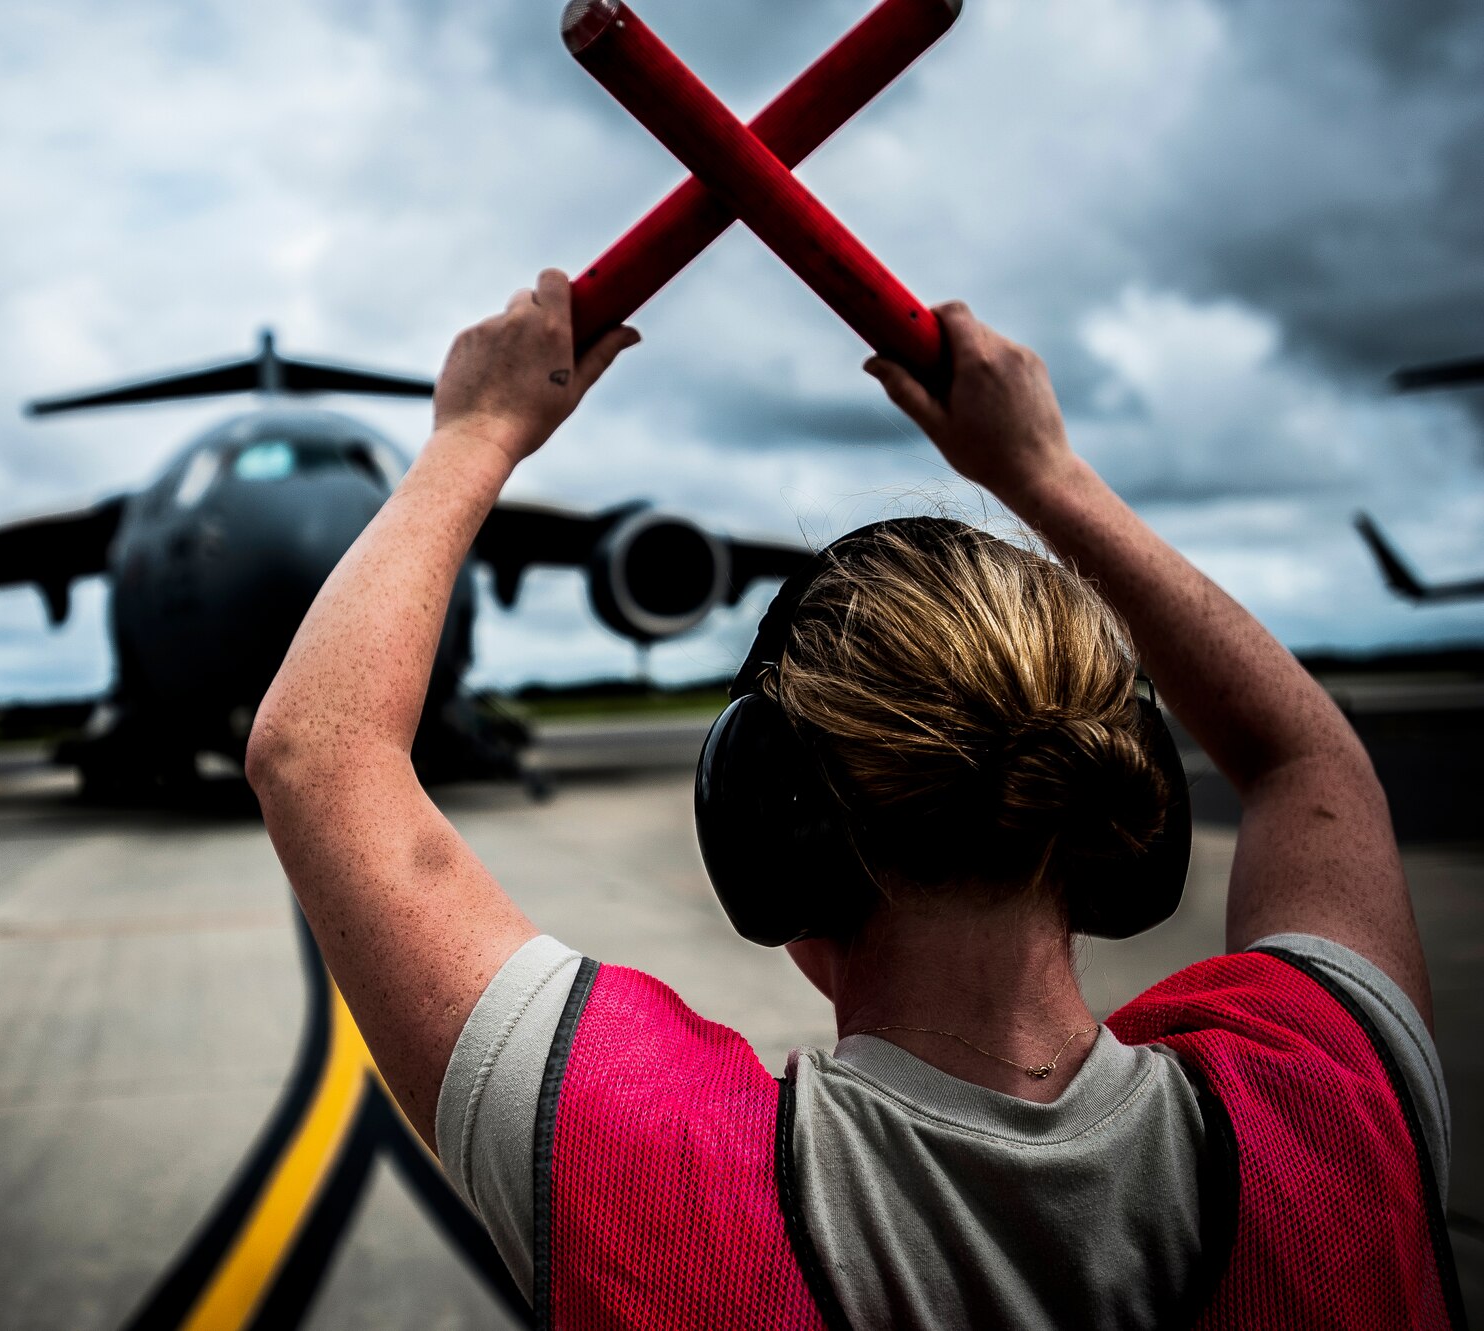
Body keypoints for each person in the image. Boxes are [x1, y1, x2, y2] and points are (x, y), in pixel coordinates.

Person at [244, 271, 1460, 1328]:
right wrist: (1046, 474)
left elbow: (315, 752)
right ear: (1114, 804)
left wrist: (471, 435)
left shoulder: (651, 1169)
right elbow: (1310, 765)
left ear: (763, 825)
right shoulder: (1335, 1103)